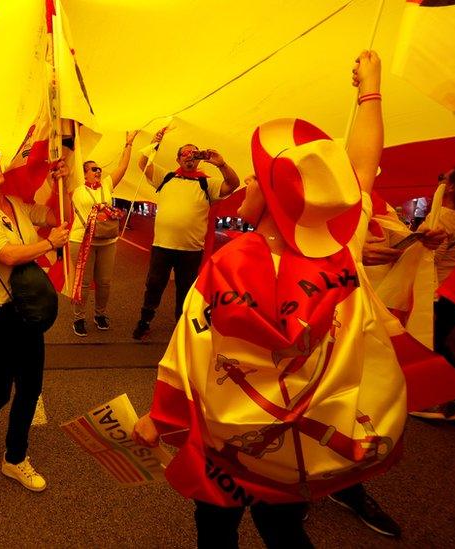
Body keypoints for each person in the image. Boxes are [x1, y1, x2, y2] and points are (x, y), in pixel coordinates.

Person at [133, 51, 405, 547]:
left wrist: (162, 416)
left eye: (258, 177)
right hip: (301, 447)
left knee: (216, 530)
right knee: (283, 532)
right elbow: (363, 173)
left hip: (229, 445)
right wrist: (371, 91)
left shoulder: (229, 264)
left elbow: (190, 349)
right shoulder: (340, 249)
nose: (249, 184)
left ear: (275, 194)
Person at [0, 139, 70, 492]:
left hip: (25, 312)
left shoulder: (17, 204)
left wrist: (64, 182)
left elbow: (55, 216)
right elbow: (6, 253)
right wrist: (51, 243)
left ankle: (15, 459)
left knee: (30, 388)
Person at [132, 128, 240, 340]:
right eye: (185, 154)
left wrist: (221, 164)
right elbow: (143, 164)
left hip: (191, 250)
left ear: (200, 159)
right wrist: (154, 142)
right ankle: (144, 321)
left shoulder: (205, 183)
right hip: (162, 246)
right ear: (178, 158)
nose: (190, 157)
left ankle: (181, 328)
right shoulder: (167, 176)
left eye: (194, 154)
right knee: (154, 285)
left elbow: (233, 185)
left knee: (185, 290)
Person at [410, 165, 455, 422]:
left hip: (436, 292)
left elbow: (429, 260)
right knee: (439, 344)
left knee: (430, 346)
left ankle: (450, 397)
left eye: (443, 177)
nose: (439, 181)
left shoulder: (441, 218)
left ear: (451, 186)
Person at [68, 132, 137, 336]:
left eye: (99, 168)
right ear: (84, 173)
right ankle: (79, 318)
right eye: (93, 169)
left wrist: (129, 144)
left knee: (104, 282)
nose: (98, 171)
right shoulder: (76, 188)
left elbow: (123, 167)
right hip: (81, 241)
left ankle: (100, 314)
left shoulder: (107, 185)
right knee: (84, 281)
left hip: (108, 240)